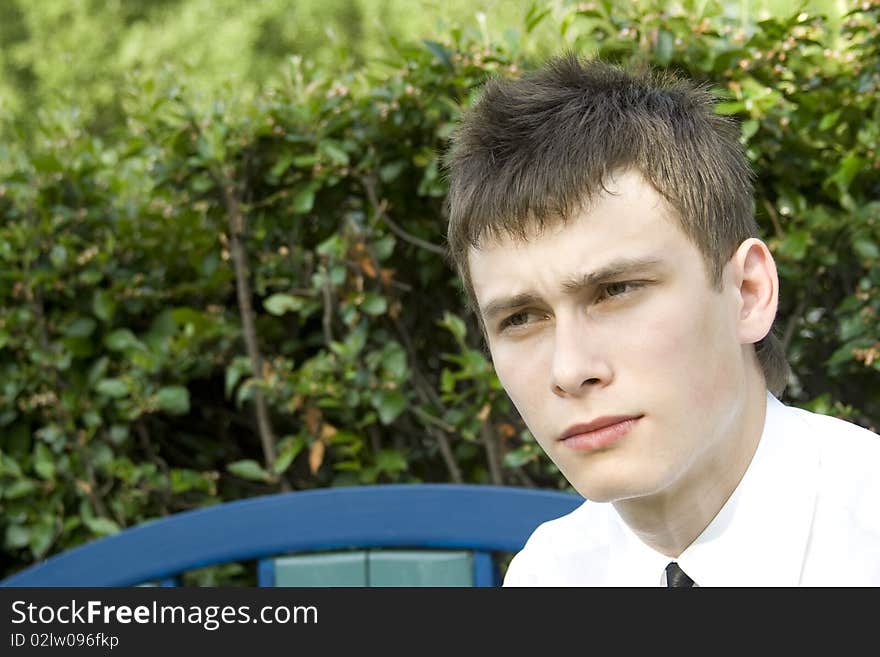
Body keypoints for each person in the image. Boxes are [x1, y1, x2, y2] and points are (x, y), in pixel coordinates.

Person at [442, 54, 880, 586]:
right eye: (521, 318)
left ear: (748, 293)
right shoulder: (548, 575)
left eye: (616, 290)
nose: (569, 369)